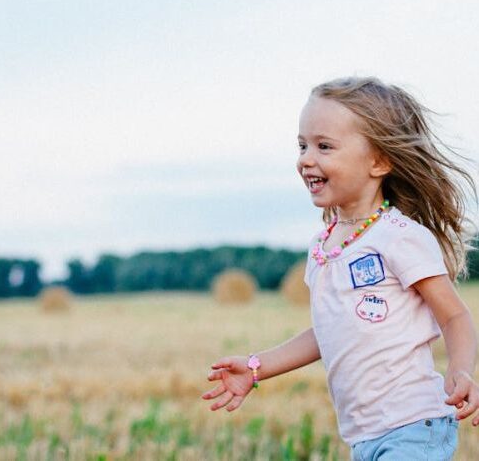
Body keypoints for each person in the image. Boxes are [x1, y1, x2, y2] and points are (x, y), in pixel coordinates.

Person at [201, 76, 479, 460]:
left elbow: (454, 317)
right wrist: (256, 366)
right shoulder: (324, 248)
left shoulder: (399, 237)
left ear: (379, 161)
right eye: (302, 145)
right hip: (363, 437)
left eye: (324, 146)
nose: (305, 159)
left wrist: (462, 371)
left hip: (415, 427)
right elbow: (328, 330)